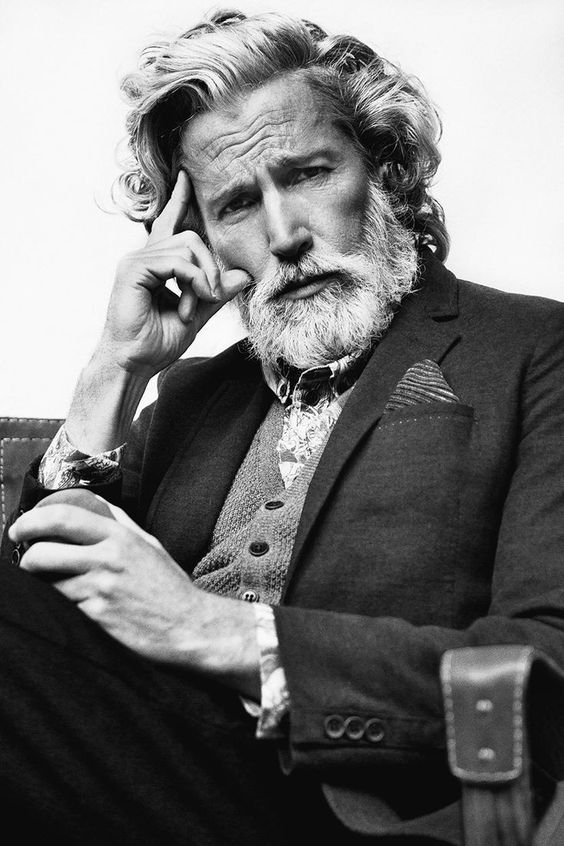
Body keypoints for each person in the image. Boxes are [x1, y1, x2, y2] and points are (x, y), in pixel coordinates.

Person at [2, 8, 564, 845]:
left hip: (360, 811)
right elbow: (42, 635)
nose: (285, 234)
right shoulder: (190, 397)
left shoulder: (533, 349)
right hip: (132, 776)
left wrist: (215, 632)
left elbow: (549, 666)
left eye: (307, 174)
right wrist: (115, 369)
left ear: (385, 172)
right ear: (201, 242)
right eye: (236, 204)